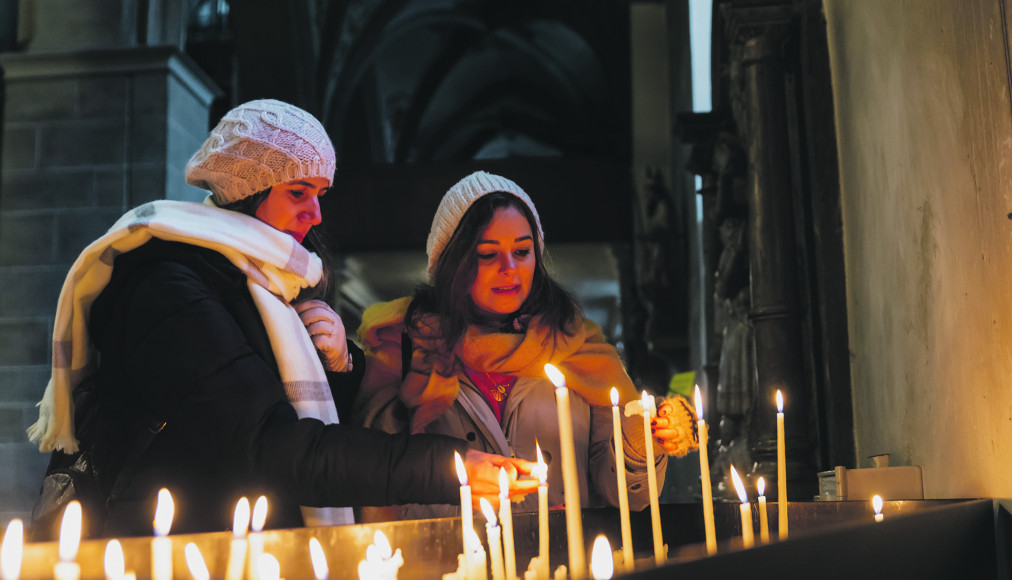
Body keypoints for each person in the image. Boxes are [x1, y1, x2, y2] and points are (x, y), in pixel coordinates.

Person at [26, 100, 537, 538]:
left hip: (241, 536)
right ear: (248, 188)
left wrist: (343, 366)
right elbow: (271, 446)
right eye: (298, 192)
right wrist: (448, 467)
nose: (315, 214)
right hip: (175, 545)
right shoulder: (169, 287)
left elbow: (299, 418)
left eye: (321, 194)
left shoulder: (267, 285)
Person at [353, 171, 699, 521]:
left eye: (522, 251)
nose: (510, 268)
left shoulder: (577, 347)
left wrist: (640, 444)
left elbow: (626, 496)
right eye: (488, 254)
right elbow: (375, 479)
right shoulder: (402, 347)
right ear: (452, 263)